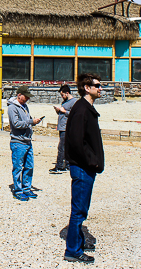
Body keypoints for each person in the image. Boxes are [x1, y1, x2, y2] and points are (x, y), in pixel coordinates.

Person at [63, 73, 105, 264]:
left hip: (85, 167)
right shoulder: (81, 110)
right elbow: (76, 142)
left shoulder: (85, 108)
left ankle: (78, 241)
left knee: (81, 208)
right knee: (78, 210)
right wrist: (91, 161)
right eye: (97, 85)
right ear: (87, 88)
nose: (100, 88)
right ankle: (72, 250)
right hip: (82, 168)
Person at [8, 85, 42, 201]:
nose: (27, 99)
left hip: (27, 141)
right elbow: (16, 124)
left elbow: (27, 121)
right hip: (18, 141)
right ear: (19, 95)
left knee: (29, 166)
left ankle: (26, 188)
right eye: (26, 97)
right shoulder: (12, 108)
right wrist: (31, 121)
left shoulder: (25, 106)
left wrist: (33, 121)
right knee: (18, 167)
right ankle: (18, 190)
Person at [50, 84, 77, 173]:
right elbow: (63, 114)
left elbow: (75, 115)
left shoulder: (74, 102)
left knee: (61, 147)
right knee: (66, 147)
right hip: (61, 127)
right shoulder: (64, 102)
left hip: (67, 128)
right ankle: (67, 165)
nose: (62, 97)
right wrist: (58, 111)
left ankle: (60, 165)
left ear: (67, 93)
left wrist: (64, 111)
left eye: (62, 95)